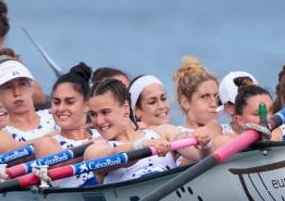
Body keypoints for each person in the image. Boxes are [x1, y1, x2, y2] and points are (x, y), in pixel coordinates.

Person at [82, 79, 211, 184]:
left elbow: (200, 157)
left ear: (126, 109)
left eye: (105, 112)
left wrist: (204, 143)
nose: (98, 121)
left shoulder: (163, 132)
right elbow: (116, 155)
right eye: (93, 114)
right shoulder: (94, 150)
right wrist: (142, 145)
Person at [0, 58, 59, 156]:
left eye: (22, 84)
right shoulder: (0, 137)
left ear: (31, 88)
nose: (17, 93)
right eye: (8, 87)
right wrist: (55, 135)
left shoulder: (56, 114)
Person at [171, 56, 224, 136]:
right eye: (205, 96)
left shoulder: (230, 130)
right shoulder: (174, 134)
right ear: (185, 102)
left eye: (216, 96)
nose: (214, 104)